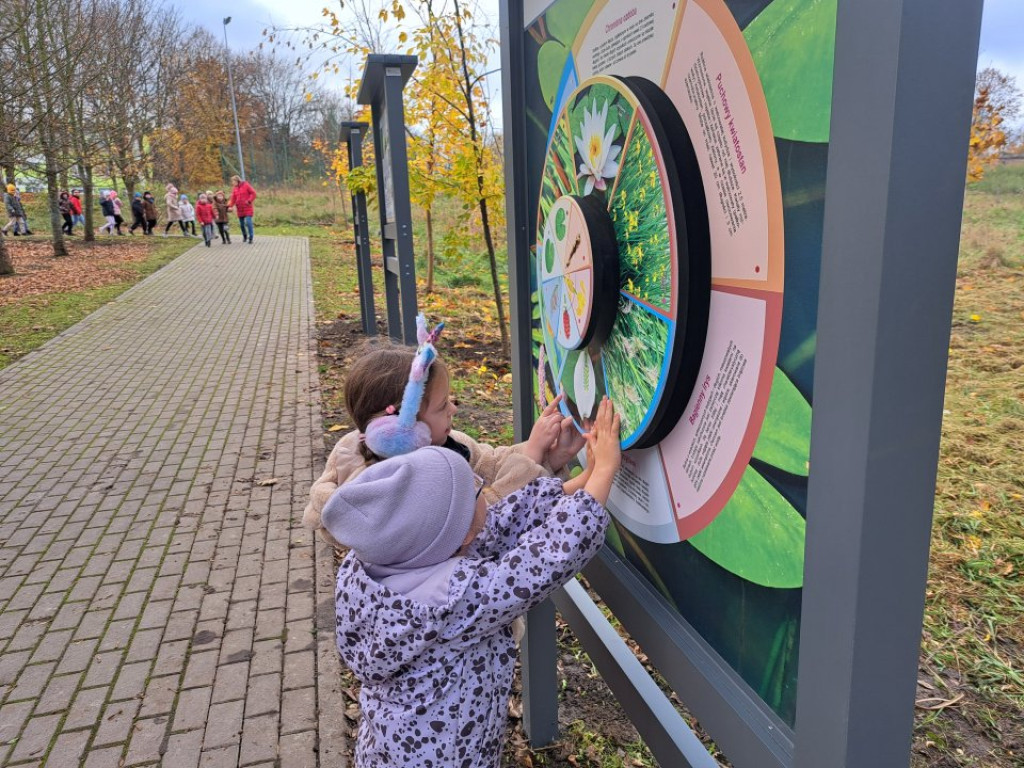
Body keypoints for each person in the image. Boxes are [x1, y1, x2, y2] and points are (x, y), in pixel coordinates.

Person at [324, 396, 621, 768]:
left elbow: (501, 521)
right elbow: (544, 561)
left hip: (391, 745)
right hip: (443, 757)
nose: (484, 489)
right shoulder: (449, 600)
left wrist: (585, 479)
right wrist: (605, 470)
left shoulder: (384, 559)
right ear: (460, 534)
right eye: (476, 489)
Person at [303, 317, 585, 550]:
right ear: (401, 431)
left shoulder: (450, 443)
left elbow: (490, 464)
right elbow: (482, 522)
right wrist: (531, 457)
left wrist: (549, 456)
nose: (453, 408)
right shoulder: (398, 491)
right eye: (442, 406)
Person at [227, 174, 256, 243]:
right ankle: (245, 236)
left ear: (237, 180)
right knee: (242, 225)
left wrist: (249, 201)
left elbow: (253, 193)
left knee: (248, 222)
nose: (232, 183)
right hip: (240, 209)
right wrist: (229, 206)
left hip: (247, 207)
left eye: (233, 181)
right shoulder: (235, 189)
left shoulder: (246, 185)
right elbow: (233, 199)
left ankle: (251, 237)